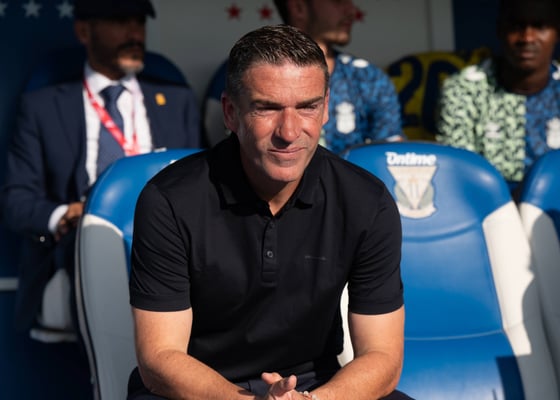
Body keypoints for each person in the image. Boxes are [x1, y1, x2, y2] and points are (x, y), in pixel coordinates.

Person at [128, 24, 411, 400]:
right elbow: (159, 359)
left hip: (318, 389)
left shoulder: (367, 201)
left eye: (307, 107)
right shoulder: (169, 200)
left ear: (326, 108)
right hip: (196, 390)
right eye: (267, 108)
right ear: (230, 112)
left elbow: (383, 357)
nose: (289, 132)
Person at [0, 0, 201, 341]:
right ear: (84, 31)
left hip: (167, 237)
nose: (135, 33)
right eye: (120, 22)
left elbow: (199, 180)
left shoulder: (176, 99)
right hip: (83, 241)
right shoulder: (43, 106)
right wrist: (65, 216)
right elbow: (15, 200)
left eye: (139, 22)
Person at [203, 0, 404, 153]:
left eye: (309, 107)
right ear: (298, 7)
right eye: (338, 1)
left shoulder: (368, 78)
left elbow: (389, 160)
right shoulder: (242, 72)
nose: (351, 10)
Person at [436, 0, 560, 191]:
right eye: (516, 27)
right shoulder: (464, 88)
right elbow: (457, 172)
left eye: (540, 26)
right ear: (500, 31)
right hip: (484, 201)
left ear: (556, 33)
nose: (527, 37)